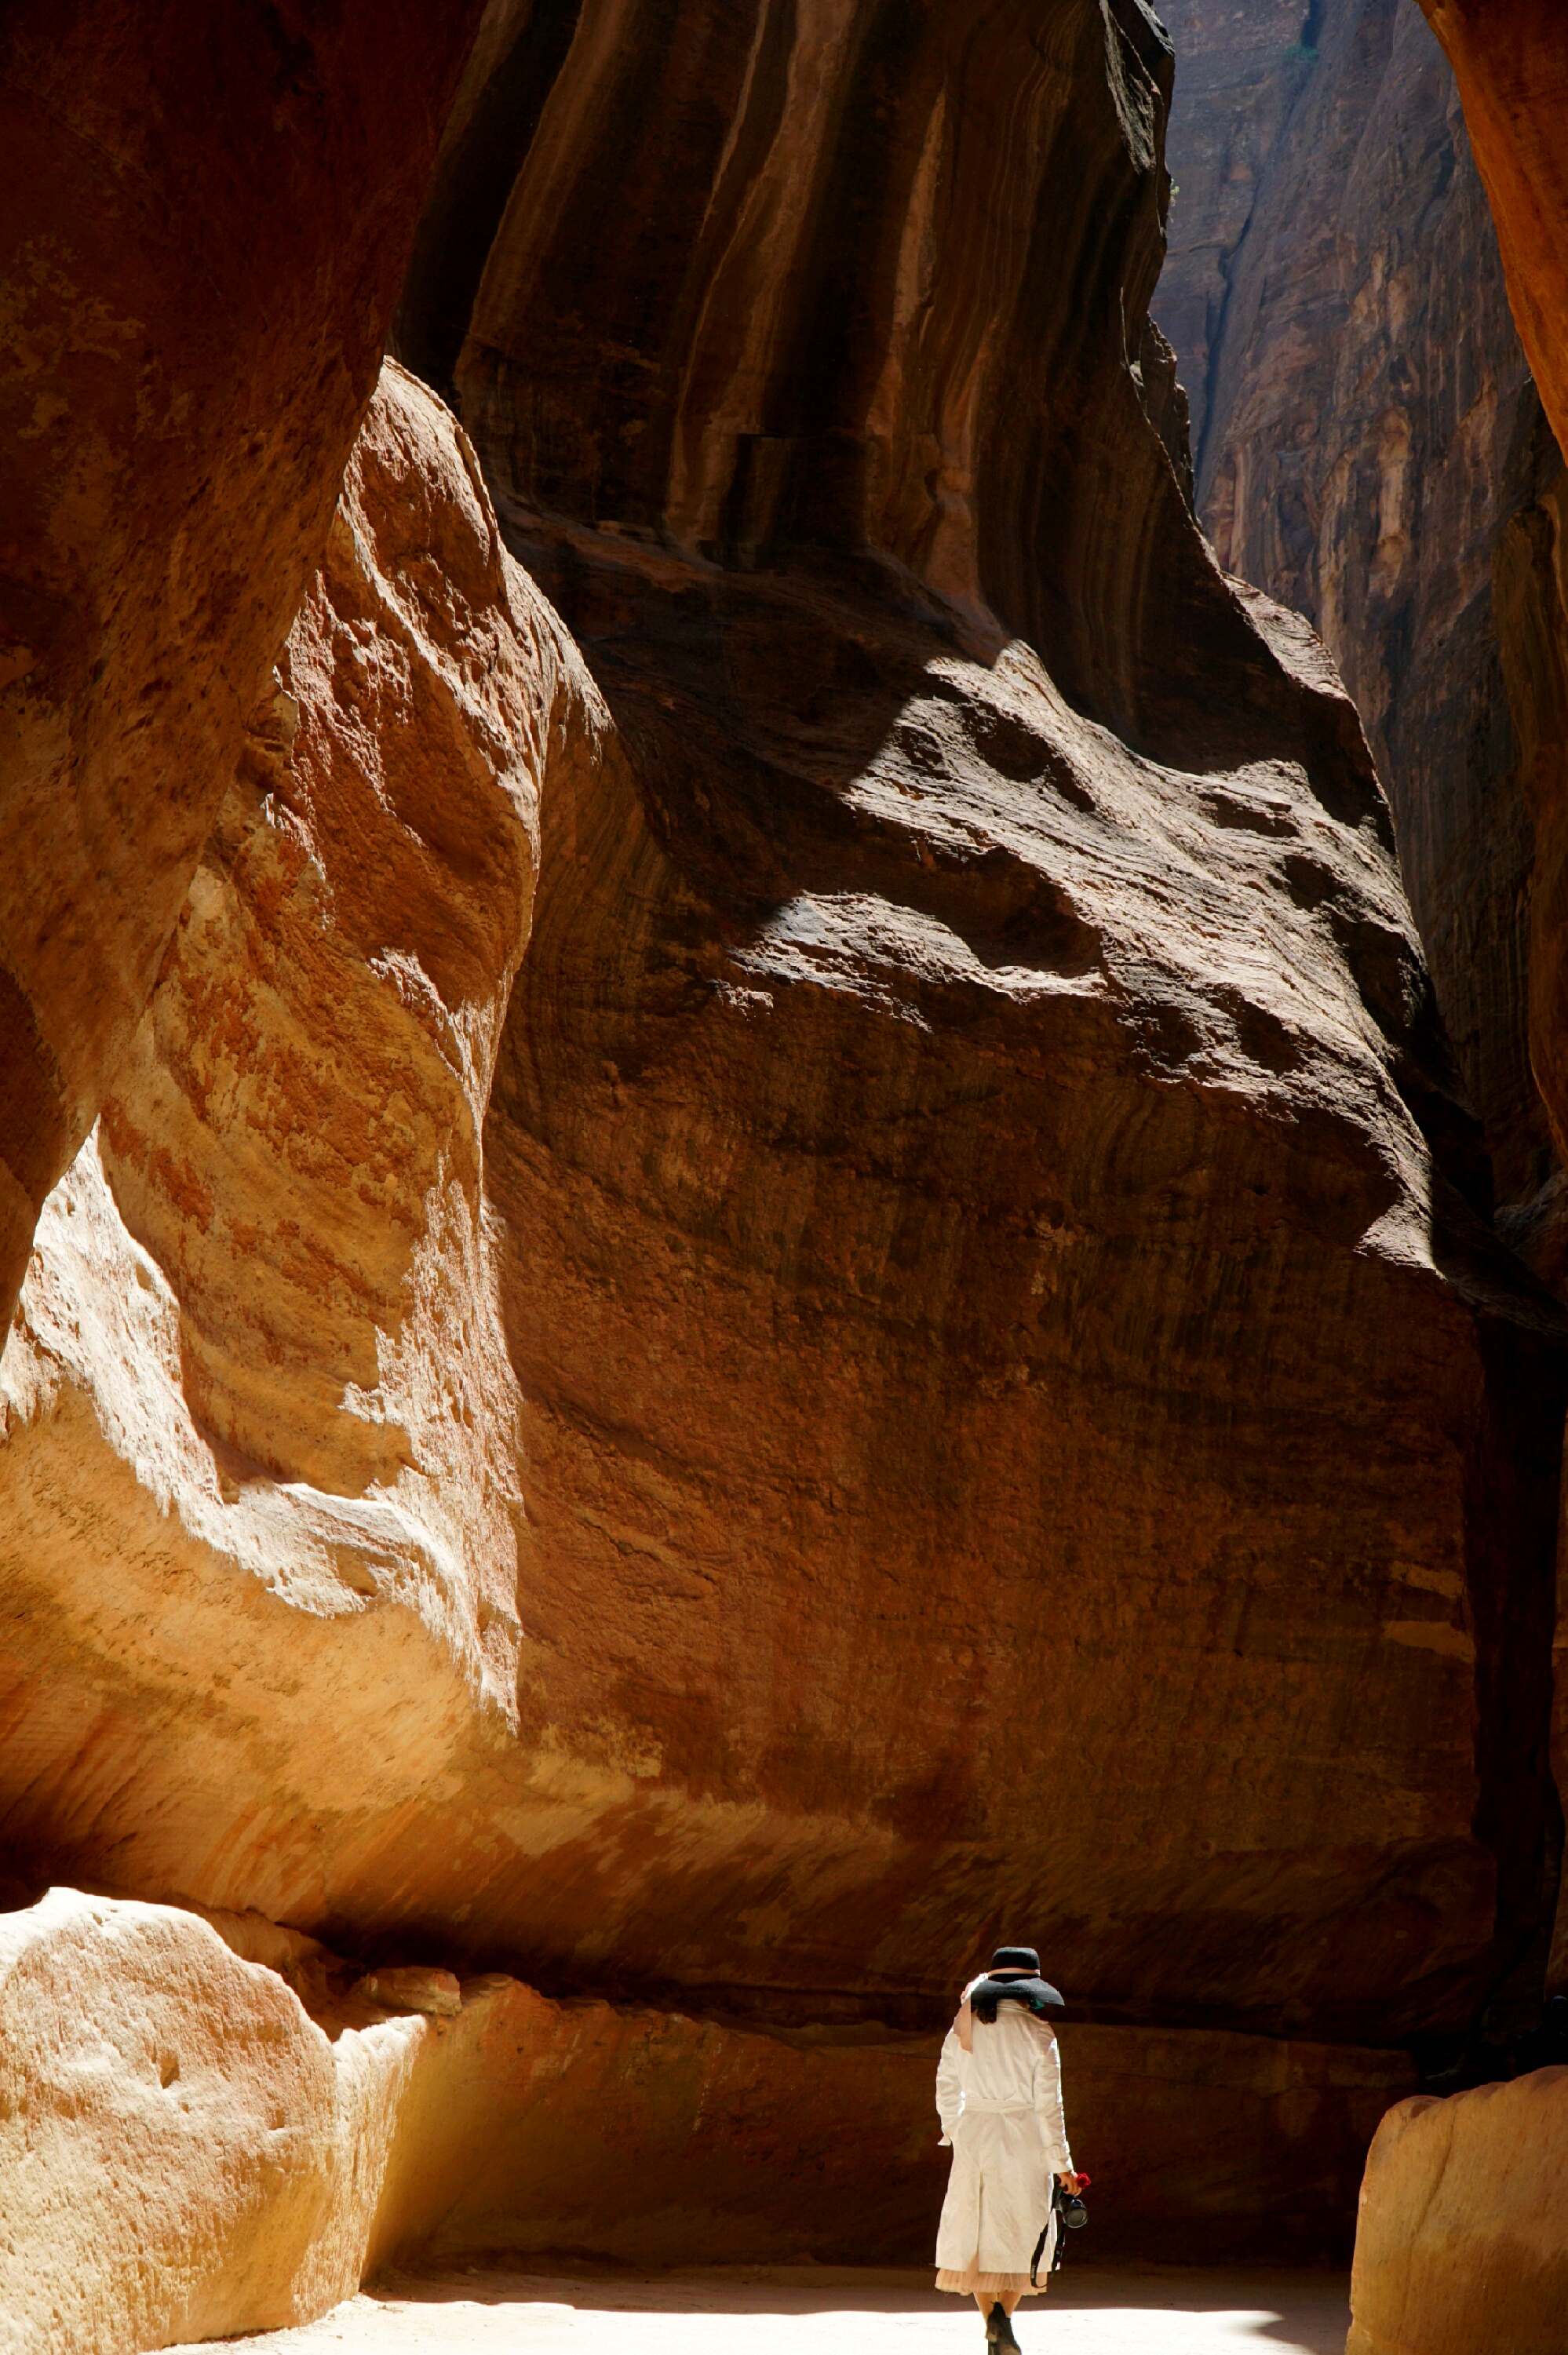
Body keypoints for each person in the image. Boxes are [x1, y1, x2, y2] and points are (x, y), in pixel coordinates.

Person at [934, 1945, 1085, 2348]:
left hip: (976, 2136)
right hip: (1024, 2140)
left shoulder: (965, 2027)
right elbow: (1050, 2108)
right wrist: (1064, 2167)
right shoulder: (1039, 2034)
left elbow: (946, 2085)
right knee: (1025, 2234)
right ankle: (1002, 2318)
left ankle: (993, 2322)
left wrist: (955, 2131)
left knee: (978, 2234)